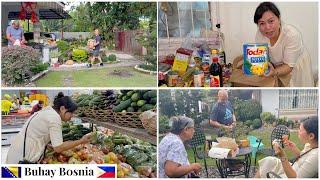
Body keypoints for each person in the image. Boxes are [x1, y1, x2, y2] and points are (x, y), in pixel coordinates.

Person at [6, 92, 92, 164]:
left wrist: (49, 145)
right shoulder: (54, 118)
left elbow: (39, 134)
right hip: (22, 157)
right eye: (71, 113)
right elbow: (58, 148)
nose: (72, 117)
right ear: (62, 109)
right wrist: (81, 141)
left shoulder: (48, 111)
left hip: (18, 151)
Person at [254, 2, 314, 87]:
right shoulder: (260, 35)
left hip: (294, 64)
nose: (267, 27)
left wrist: (274, 72)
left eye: (271, 21)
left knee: (296, 90)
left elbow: (289, 66)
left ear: (278, 19)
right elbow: (263, 55)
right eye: (262, 23)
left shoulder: (291, 35)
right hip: (277, 65)